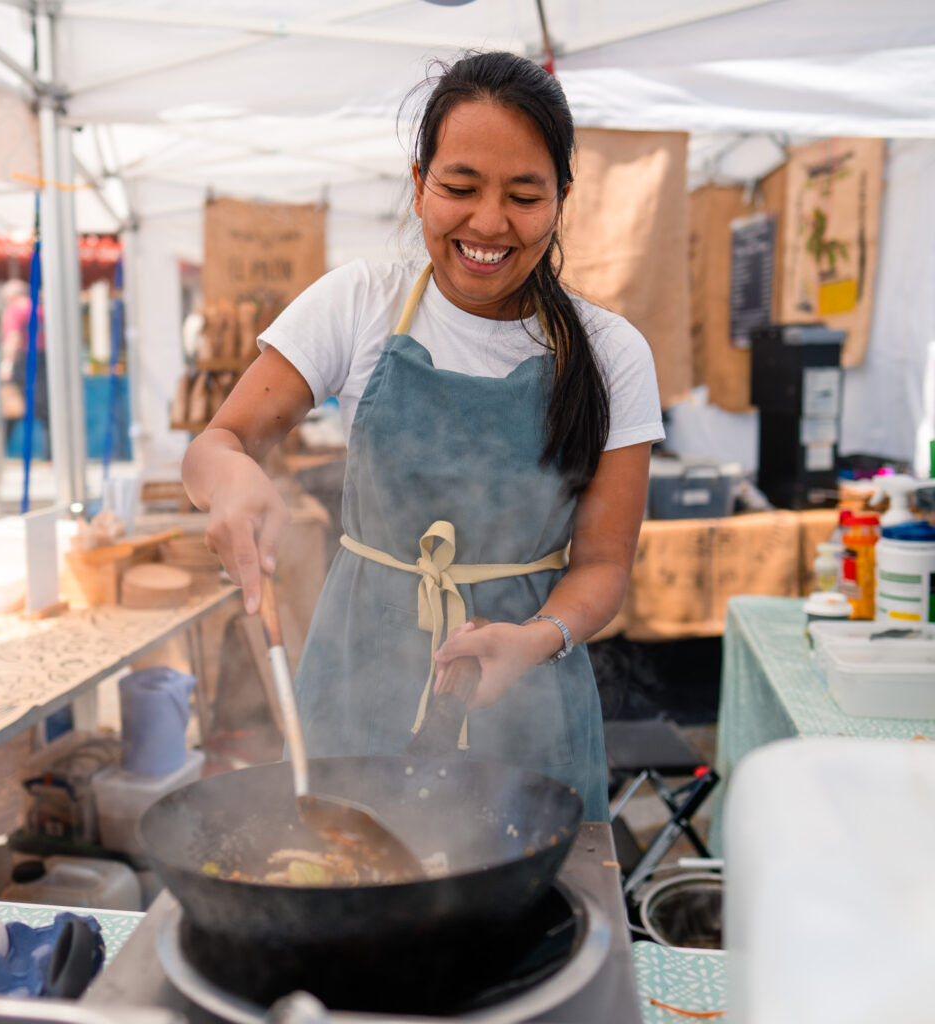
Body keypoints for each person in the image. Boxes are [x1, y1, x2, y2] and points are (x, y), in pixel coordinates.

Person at [182, 51, 664, 819]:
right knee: (336, 887)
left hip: (526, 698)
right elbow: (216, 445)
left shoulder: (611, 354)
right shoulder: (358, 303)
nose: (488, 223)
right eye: (460, 188)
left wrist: (533, 639)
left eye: (524, 195)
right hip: (355, 684)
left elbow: (604, 566)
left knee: (531, 915)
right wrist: (232, 477)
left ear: (562, 199)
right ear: (419, 185)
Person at [0, 278, 49, 452]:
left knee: (11, 402)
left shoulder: (15, 310)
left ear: (10, 296)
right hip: (45, 358)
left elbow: (14, 338)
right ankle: (50, 453)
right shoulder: (41, 309)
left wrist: (6, 364)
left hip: (25, 358)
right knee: (46, 407)